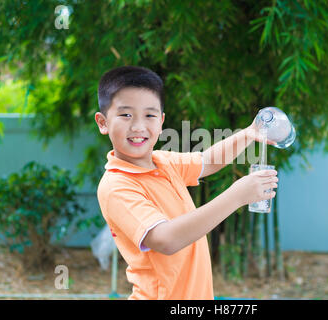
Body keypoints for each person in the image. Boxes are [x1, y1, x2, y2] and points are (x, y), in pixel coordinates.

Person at [94, 65, 278, 300]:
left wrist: (248, 134)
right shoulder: (116, 186)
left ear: (161, 123)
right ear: (103, 122)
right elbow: (165, 239)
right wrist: (237, 197)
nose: (139, 126)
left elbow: (208, 160)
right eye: (126, 115)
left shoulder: (163, 161)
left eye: (149, 115)